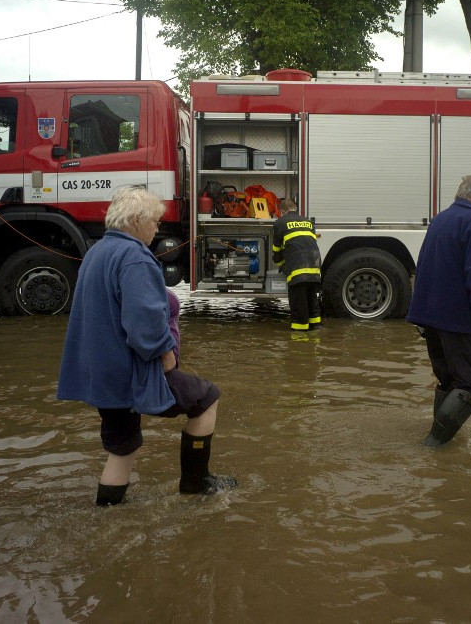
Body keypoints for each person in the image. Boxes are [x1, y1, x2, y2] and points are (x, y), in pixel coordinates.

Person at [57, 186, 237, 505]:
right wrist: (165, 356)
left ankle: (108, 512)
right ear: (137, 220)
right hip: (131, 370)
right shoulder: (134, 257)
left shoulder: (97, 252)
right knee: (207, 398)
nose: (157, 228)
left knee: (123, 446)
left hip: (102, 373)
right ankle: (195, 483)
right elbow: (143, 322)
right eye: (154, 221)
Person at [406, 175, 471, 447]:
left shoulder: (441, 219)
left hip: (432, 318)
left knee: (450, 381)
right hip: (462, 321)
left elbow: (424, 264)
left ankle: (438, 445)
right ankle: (434, 445)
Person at [271, 198, 322, 331]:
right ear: (295, 208)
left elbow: (277, 250)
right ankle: (315, 330)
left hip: (298, 270)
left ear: (282, 211)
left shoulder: (280, 223)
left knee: (299, 307)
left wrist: (280, 263)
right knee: (311, 300)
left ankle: (300, 341)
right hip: (315, 269)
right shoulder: (308, 222)